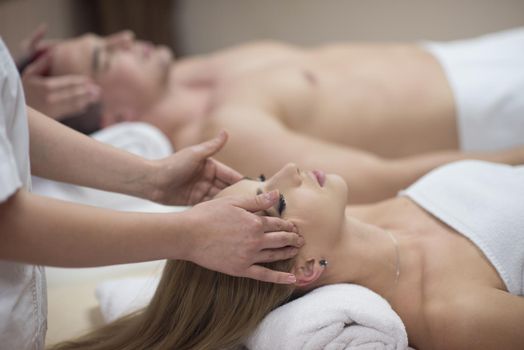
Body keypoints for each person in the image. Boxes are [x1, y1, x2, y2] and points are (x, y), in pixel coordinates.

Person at [0, 38, 303, 350]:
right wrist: (190, 235)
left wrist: (153, 179)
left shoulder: (212, 69)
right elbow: (6, 225)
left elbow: (13, 128)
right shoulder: (231, 127)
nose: (293, 168)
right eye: (278, 202)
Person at [49, 161, 524, 350]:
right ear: (304, 269)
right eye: (276, 200)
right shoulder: (451, 313)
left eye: (262, 179)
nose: (288, 168)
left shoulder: (366, 212)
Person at [42, 28, 524, 203]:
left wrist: (23, 91)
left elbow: (22, 117)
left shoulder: (191, 73)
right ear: (113, 119)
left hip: (466, 55)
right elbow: (377, 180)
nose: (123, 37)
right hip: (488, 115)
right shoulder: (225, 135)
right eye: (105, 56)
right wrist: (512, 160)